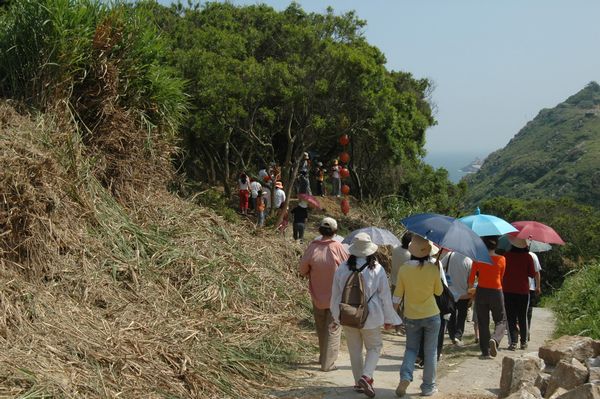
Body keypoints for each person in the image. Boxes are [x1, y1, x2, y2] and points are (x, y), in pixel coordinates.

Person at [330, 233, 401, 397]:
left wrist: (336, 318)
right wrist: (390, 319)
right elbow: (384, 296)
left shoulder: (342, 268)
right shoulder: (377, 269)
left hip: (348, 315)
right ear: (370, 250)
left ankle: (358, 383)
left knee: (354, 350)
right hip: (372, 315)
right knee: (374, 347)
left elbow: (335, 295)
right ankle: (366, 376)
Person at [393, 235, 443, 398]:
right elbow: (439, 292)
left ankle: (406, 377)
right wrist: (435, 272)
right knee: (430, 351)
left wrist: (394, 316)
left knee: (411, 349)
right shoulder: (433, 268)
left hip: (411, 315)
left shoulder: (404, 269)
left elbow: (398, 294)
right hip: (432, 314)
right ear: (428, 251)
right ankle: (428, 387)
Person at [299, 217, 348, 373]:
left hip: (317, 296)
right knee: (333, 329)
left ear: (320, 230)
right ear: (334, 231)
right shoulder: (338, 247)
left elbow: (302, 269)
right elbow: (348, 269)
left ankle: (323, 357)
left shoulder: (312, 247)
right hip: (336, 296)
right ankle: (328, 363)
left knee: (321, 328)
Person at [468, 236, 507, 358]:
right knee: (501, 320)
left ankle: (485, 351)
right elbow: (501, 277)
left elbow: (471, 278)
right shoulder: (502, 259)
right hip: (496, 291)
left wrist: (470, 292)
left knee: (483, 322)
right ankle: (495, 339)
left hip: (481, 291)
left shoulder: (478, 259)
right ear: (496, 245)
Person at [503, 236, 536, 350]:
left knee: (510, 317)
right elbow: (532, 274)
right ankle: (523, 342)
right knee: (523, 317)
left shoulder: (506, 256)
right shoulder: (528, 257)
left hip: (507, 290)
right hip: (523, 291)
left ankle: (513, 342)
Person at [442, 251, 473, 346]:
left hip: (449, 291)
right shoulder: (469, 261)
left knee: (451, 315)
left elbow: (440, 266)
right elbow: (470, 280)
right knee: (462, 316)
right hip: (463, 294)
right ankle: (458, 336)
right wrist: (471, 296)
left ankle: (452, 336)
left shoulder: (449, 255)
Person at [527, 250, 542, 341]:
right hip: (530, 287)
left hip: (516, 287)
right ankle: (527, 329)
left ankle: (519, 329)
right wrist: (538, 286)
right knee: (528, 310)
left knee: (517, 311)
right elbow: (537, 272)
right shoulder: (533, 256)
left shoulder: (512, 254)